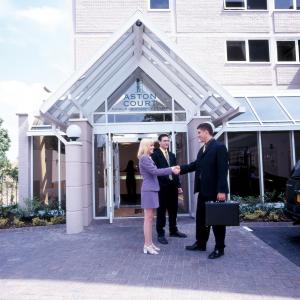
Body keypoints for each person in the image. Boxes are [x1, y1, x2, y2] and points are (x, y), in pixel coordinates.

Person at [180, 122, 229, 259]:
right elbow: (196, 165)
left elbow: (222, 171)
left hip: (215, 192)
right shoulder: (203, 149)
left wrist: (222, 191)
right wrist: (181, 169)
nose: (198, 136)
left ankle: (220, 248)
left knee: (217, 220)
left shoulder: (219, 147)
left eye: (199, 133)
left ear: (206, 132)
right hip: (203, 191)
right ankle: (201, 243)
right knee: (201, 219)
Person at [138, 138, 180, 255]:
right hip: (149, 190)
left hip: (151, 190)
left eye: (153, 145)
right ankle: (147, 245)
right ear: (145, 146)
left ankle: (150, 243)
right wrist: (171, 169)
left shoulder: (148, 158)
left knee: (150, 218)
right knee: (148, 219)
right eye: (151, 146)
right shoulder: (144, 158)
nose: (153, 148)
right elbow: (155, 172)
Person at [151, 134, 187, 244]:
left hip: (172, 187)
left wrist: (179, 186)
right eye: (165, 141)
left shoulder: (172, 155)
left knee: (173, 209)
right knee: (161, 211)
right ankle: (160, 233)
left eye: (168, 141)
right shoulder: (155, 155)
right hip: (161, 187)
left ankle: (173, 230)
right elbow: (155, 172)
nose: (167, 142)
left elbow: (176, 171)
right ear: (160, 142)